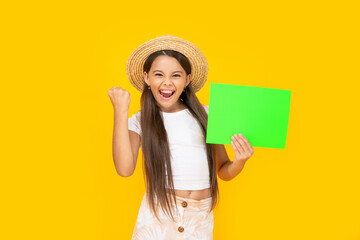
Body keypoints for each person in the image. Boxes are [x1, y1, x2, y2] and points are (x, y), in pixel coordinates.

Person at [108, 35, 255, 240]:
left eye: (176, 75)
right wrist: (120, 111)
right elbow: (124, 169)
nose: (167, 82)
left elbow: (224, 171)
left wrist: (240, 161)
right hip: (157, 218)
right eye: (158, 74)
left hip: (199, 220)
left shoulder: (208, 115)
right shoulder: (141, 120)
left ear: (187, 80)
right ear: (146, 78)